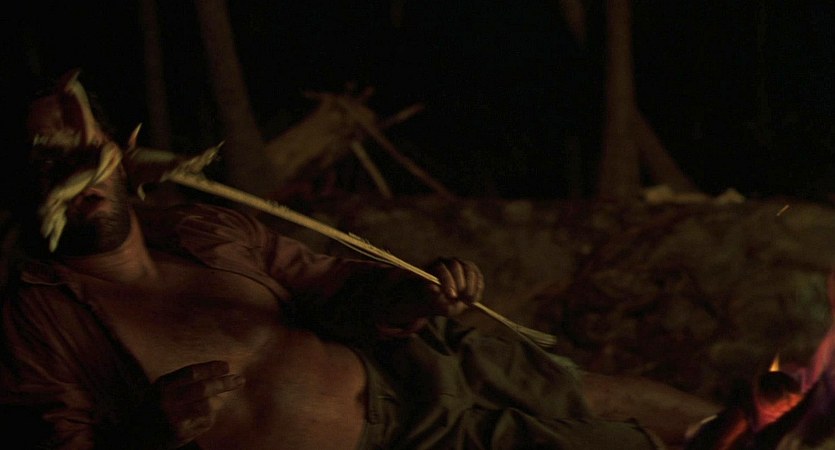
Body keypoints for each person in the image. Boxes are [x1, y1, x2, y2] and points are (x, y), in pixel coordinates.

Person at [0, 70, 717, 449]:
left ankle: (778, 428)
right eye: (46, 161)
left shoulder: (201, 229)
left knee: (589, 394)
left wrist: (414, 296)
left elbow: (331, 287)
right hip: (399, 444)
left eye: (83, 151)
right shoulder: (32, 320)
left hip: (409, 363)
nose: (74, 177)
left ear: (120, 156)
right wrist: (147, 434)